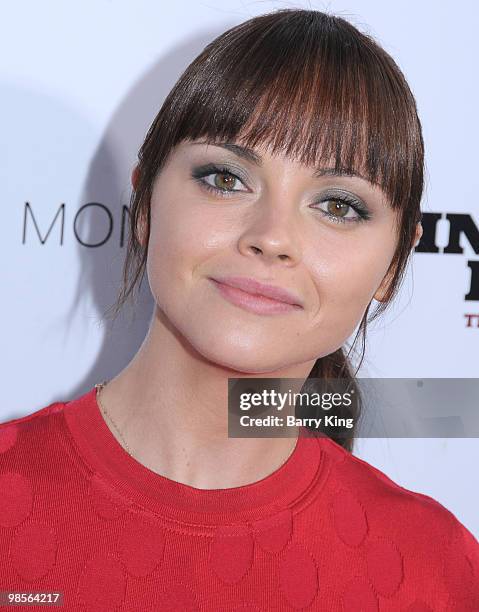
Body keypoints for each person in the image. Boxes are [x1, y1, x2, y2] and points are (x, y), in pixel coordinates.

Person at [1, 8, 478, 611]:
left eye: (338, 205)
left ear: (391, 265)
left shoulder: (435, 573)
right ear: (144, 204)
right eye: (226, 179)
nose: (272, 236)